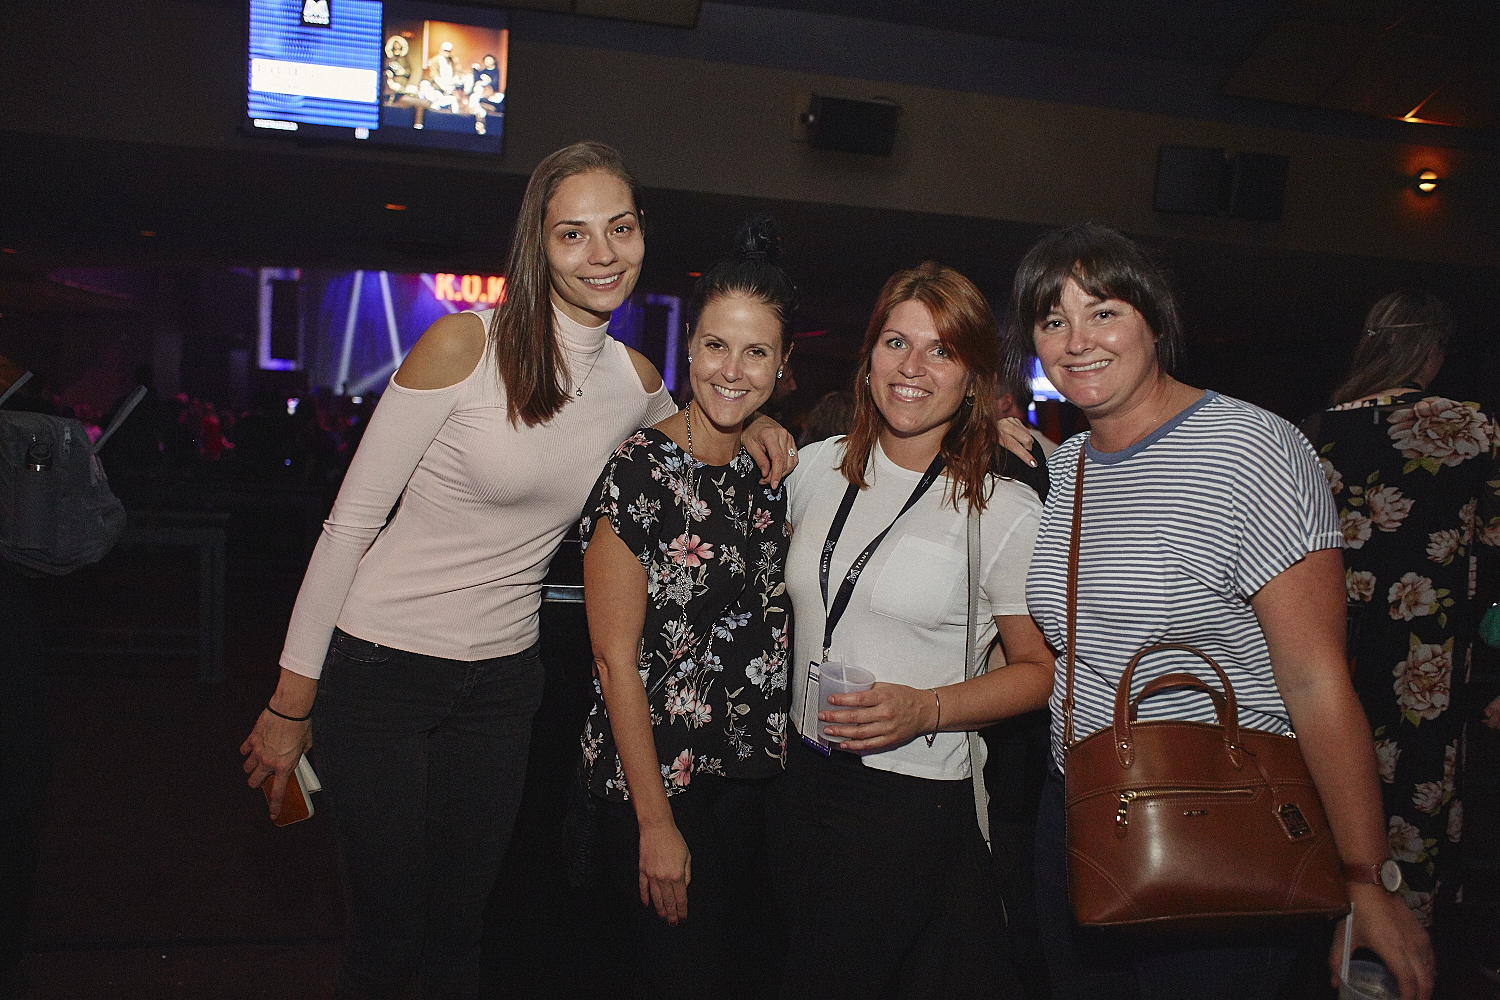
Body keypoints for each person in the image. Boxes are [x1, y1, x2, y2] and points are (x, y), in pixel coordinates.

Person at [238, 142, 796, 1000]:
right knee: (388, 940)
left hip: (504, 682)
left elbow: (703, 427)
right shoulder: (463, 346)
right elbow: (348, 526)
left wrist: (765, 427)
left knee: (465, 930)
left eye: (620, 227)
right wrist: (291, 700)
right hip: (382, 665)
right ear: (538, 245)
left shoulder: (632, 378)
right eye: (574, 234)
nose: (601, 253)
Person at [1006, 223, 1435, 1000]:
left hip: (1219, 816)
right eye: (1052, 319)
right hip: (1078, 813)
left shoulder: (1252, 449)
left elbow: (1314, 678)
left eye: (1103, 311)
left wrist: (1366, 877)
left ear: (1154, 317)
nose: (1077, 341)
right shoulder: (1062, 469)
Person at [771, 262, 1055, 999]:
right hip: (800, 783)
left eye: (942, 351)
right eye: (897, 342)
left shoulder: (1003, 507)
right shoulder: (811, 468)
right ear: (867, 360)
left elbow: (1038, 671)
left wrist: (925, 708)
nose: (913, 368)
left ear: (974, 382)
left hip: (912, 799)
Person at [579, 217, 796, 998]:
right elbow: (613, 661)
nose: (731, 371)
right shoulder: (639, 471)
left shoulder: (771, 469)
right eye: (715, 346)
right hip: (658, 786)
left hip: (750, 784)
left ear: (782, 365)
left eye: (756, 351)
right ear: (689, 349)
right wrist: (655, 823)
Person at [1300, 291, 1499, 933]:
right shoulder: (1469, 428)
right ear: (1431, 351)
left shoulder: (1319, 431)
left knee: (1333, 786)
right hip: (1430, 655)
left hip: (1335, 648)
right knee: (1416, 798)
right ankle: (1404, 939)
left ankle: (1336, 932)